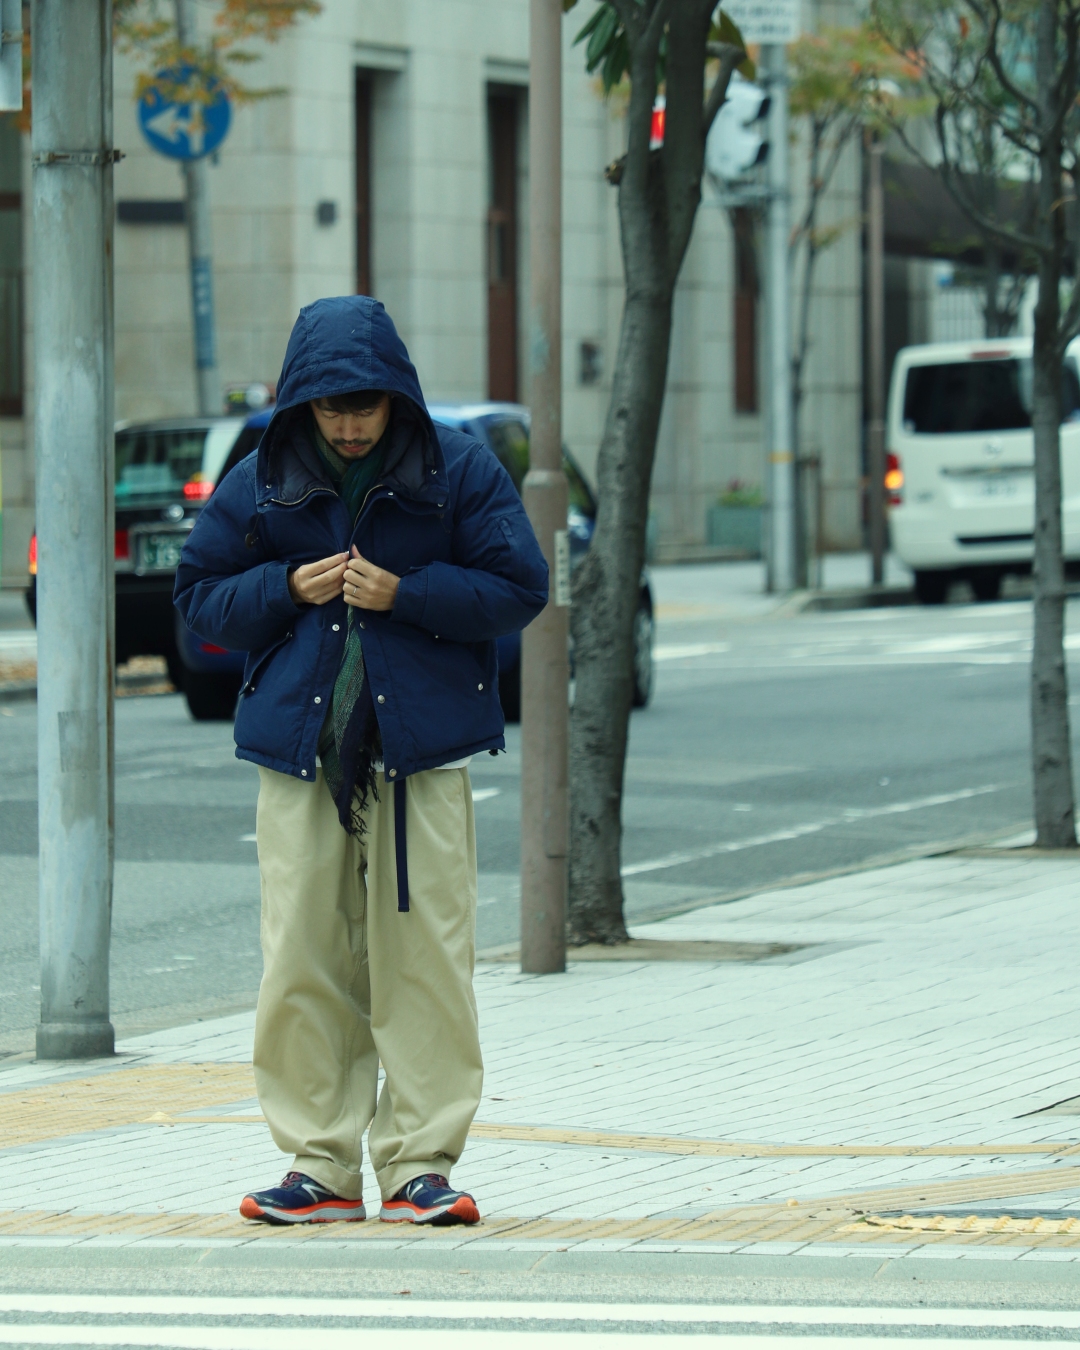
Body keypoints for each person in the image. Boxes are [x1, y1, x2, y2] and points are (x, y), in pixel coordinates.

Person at [174, 295, 548, 1226]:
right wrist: (284, 585)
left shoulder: (455, 468)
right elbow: (197, 593)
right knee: (302, 954)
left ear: (397, 400)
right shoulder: (262, 478)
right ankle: (320, 1164)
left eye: (364, 407)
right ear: (301, 402)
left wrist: (406, 593)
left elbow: (520, 586)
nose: (347, 426)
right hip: (299, 754)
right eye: (330, 408)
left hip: (421, 749)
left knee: (425, 959)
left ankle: (422, 1163)